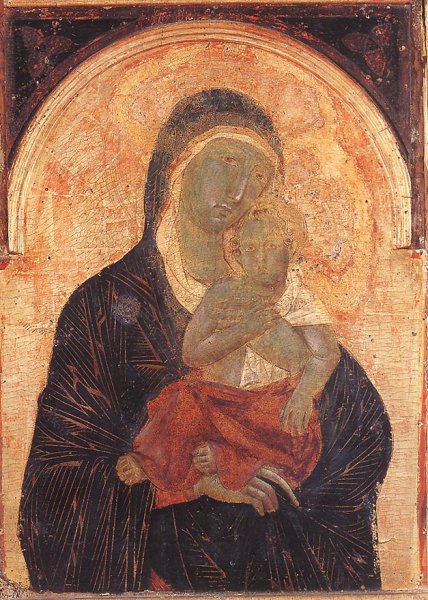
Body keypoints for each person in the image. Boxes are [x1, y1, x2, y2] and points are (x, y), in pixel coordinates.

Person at [19, 89, 392, 593]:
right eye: (228, 162)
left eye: (257, 177)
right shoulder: (103, 305)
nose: (239, 191)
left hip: (272, 565)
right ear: (177, 168)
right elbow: (59, 474)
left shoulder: (287, 302)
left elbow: (364, 433)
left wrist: (277, 459)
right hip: (156, 573)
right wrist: (197, 481)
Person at [128, 199, 340, 502]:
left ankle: (225, 459)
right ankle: (153, 463)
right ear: (236, 254)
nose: (260, 258)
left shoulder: (299, 300)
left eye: (270, 246)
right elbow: (191, 353)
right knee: (182, 400)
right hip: (220, 400)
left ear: (290, 249)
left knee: (294, 434)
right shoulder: (222, 293)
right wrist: (243, 331)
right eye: (250, 249)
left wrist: (303, 394)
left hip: (271, 405)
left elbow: (325, 354)